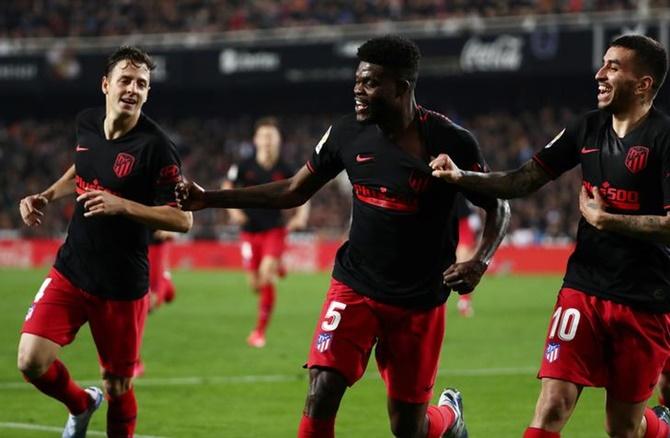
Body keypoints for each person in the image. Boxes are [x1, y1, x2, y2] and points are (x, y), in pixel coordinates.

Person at [177, 35, 510, 438]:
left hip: (418, 300)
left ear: (402, 87)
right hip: (354, 285)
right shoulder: (347, 133)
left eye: (370, 82)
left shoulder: (451, 141)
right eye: (357, 80)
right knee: (321, 390)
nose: (357, 89)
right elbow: (292, 190)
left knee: (409, 428)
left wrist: (479, 261)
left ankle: (449, 418)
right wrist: (209, 198)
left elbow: (499, 205)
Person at [430, 34, 670, 438]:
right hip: (583, 289)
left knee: (624, 427)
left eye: (613, 66)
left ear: (644, 84)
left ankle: (661, 426)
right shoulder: (586, 127)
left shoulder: (664, 138)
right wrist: (461, 176)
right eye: (602, 64)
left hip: (645, 299)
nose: (600, 73)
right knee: (551, 405)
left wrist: (607, 221)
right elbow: (523, 181)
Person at [17, 46, 192, 438]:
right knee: (31, 361)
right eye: (126, 80)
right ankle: (80, 404)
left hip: (121, 285)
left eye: (142, 84)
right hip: (72, 267)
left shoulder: (157, 148)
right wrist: (45, 195)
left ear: (148, 93)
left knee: (118, 386)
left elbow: (183, 218)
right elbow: (83, 165)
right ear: (105, 85)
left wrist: (123, 206)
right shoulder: (87, 123)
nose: (133, 89)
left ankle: (100, 403)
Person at [222, 117, 310, 348]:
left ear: (279, 140)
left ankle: (259, 332)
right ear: (256, 140)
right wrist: (234, 212)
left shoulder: (286, 167)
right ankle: (277, 264)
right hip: (249, 231)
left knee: (266, 275)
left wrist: (300, 217)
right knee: (255, 284)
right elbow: (227, 186)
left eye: (272, 137)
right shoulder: (244, 165)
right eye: (264, 136)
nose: (268, 141)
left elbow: (304, 191)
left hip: (274, 229)